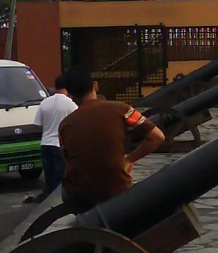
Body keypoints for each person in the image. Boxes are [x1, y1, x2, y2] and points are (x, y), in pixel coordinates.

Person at [58, 65, 165, 211]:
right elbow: (157, 136)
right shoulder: (122, 110)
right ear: (95, 85)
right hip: (117, 187)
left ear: (70, 95)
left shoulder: (64, 125)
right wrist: (129, 160)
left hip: (79, 193)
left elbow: (67, 159)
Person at [26, 75, 77, 203]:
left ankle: (47, 203)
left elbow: (36, 125)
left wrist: (49, 126)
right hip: (60, 146)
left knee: (49, 178)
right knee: (60, 178)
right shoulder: (71, 104)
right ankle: (57, 204)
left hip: (45, 144)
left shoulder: (45, 102)